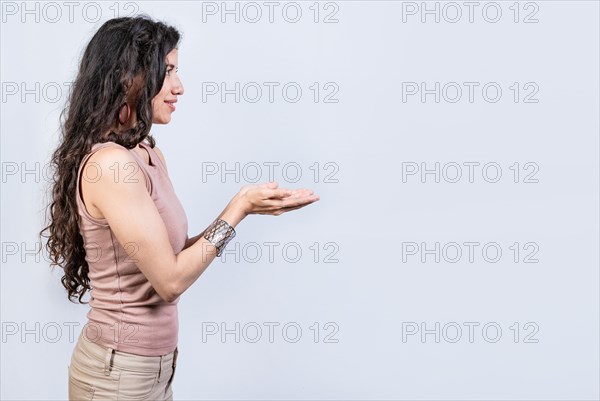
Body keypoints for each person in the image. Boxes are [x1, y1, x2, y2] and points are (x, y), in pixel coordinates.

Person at [39, 15, 320, 400]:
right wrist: (236, 210)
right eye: (167, 71)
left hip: (158, 368)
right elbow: (170, 283)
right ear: (129, 77)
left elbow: (170, 258)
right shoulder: (110, 165)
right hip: (115, 375)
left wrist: (243, 210)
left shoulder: (145, 152)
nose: (179, 87)